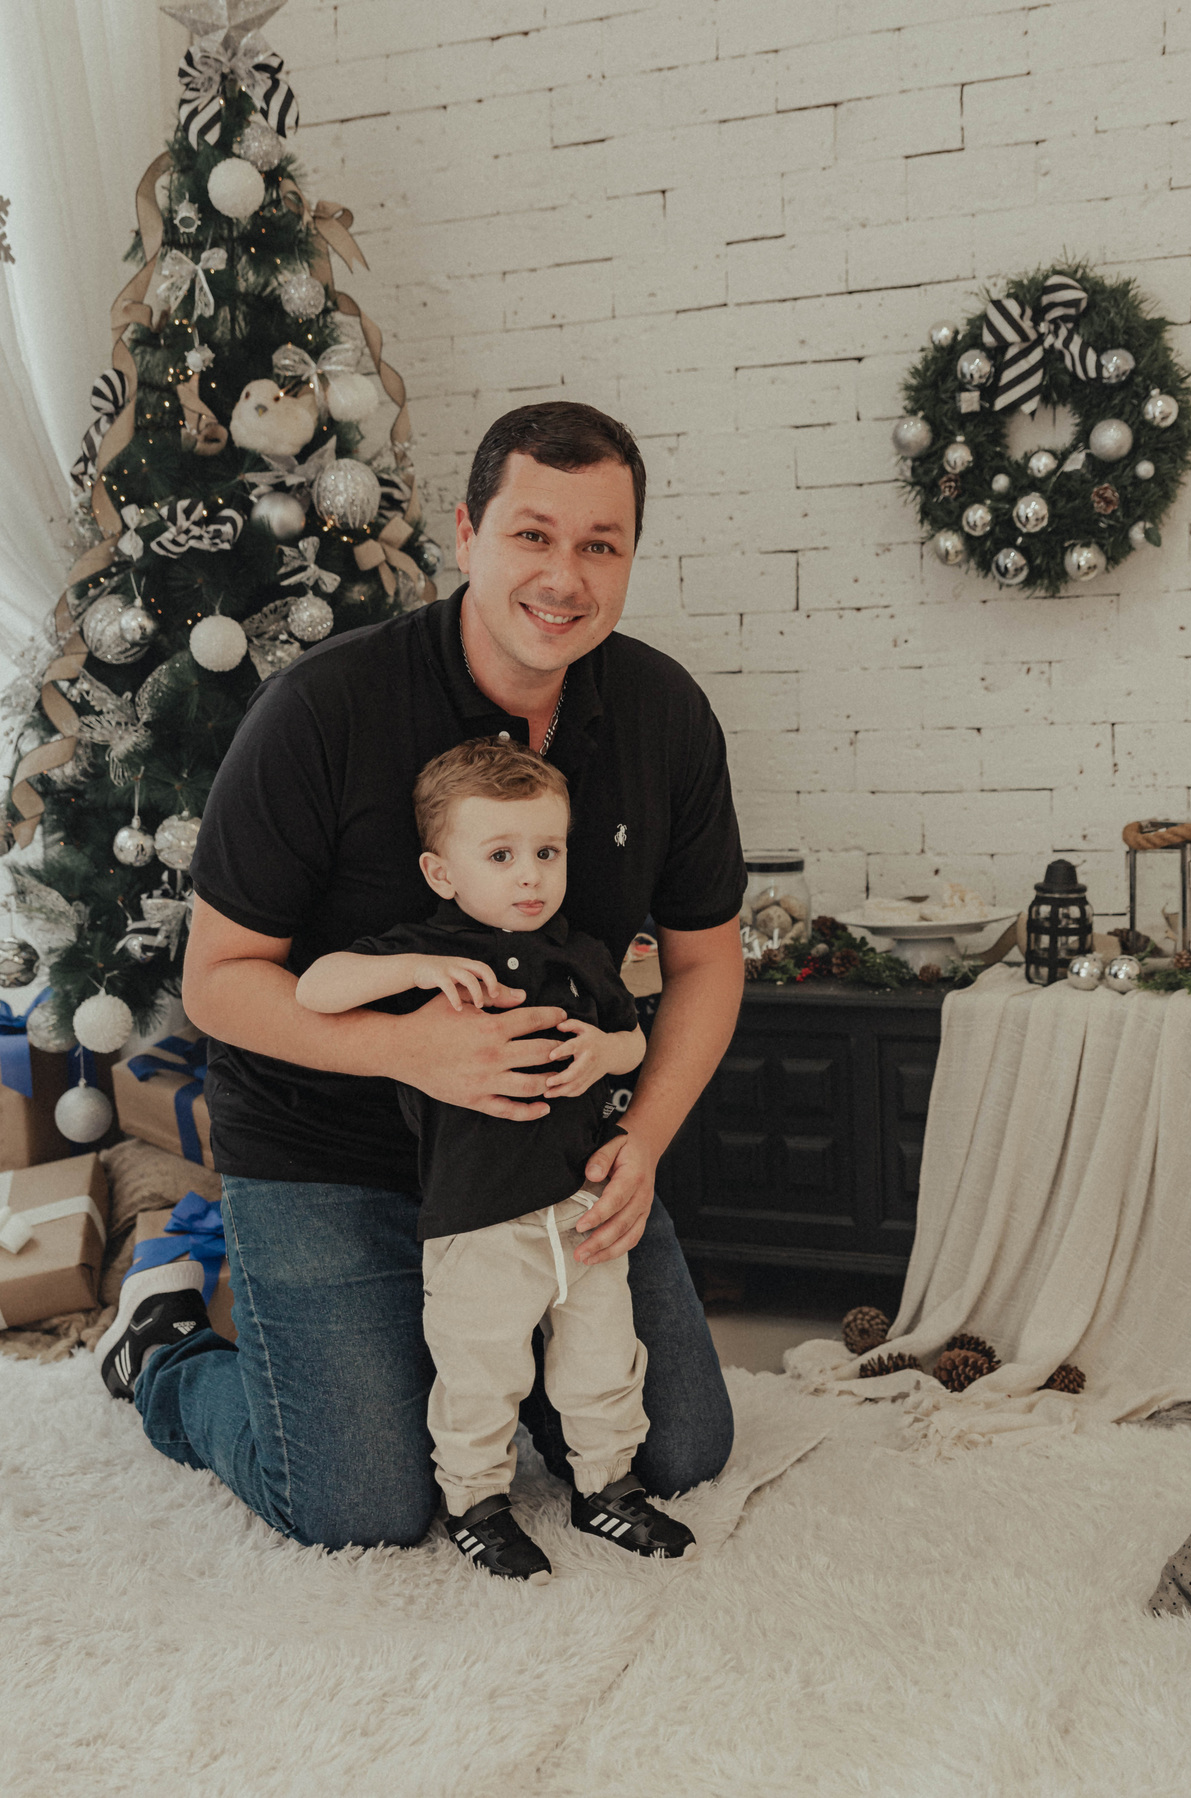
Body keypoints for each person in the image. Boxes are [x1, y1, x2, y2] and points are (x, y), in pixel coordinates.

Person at [97, 399, 747, 1553]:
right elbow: (218, 982)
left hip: (547, 1155)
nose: (565, 576)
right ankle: (164, 1345)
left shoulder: (666, 716)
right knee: (365, 1504)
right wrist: (407, 1047)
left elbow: (706, 962)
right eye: (532, 534)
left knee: (679, 1450)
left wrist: (641, 1142)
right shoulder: (321, 708)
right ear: (466, 533)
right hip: (328, 1150)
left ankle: (509, 1364)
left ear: (631, 557)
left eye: (600, 544)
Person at [294, 735, 696, 1580]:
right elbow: (313, 988)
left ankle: (607, 1486)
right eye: (501, 855)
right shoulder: (428, 955)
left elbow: (632, 1039)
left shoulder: (583, 953)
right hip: (477, 1215)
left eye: (547, 852)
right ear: (441, 873)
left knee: (603, 1356)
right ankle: (476, 1500)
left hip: (583, 1208)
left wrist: (606, 1052)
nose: (530, 877)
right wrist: (413, 969)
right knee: (480, 1369)